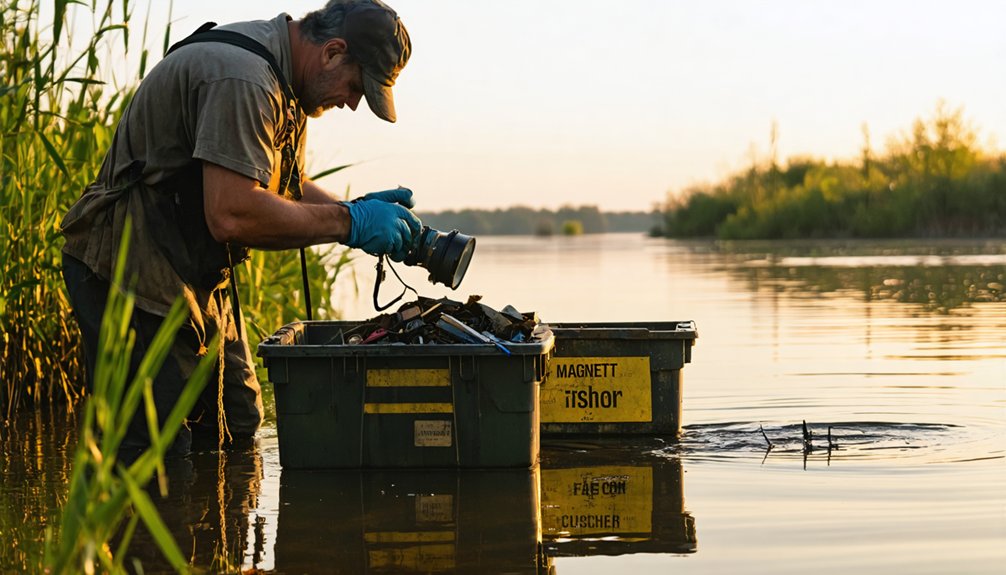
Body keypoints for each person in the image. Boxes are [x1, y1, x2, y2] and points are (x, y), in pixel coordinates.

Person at [60, 0, 419, 457]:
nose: (350, 103)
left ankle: (211, 526)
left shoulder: (288, 83)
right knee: (155, 449)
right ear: (332, 52)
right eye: (355, 87)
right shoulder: (244, 78)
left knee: (238, 424)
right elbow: (232, 213)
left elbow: (281, 189)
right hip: (127, 266)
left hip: (191, 267)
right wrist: (349, 223)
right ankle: (145, 525)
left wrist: (359, 209)